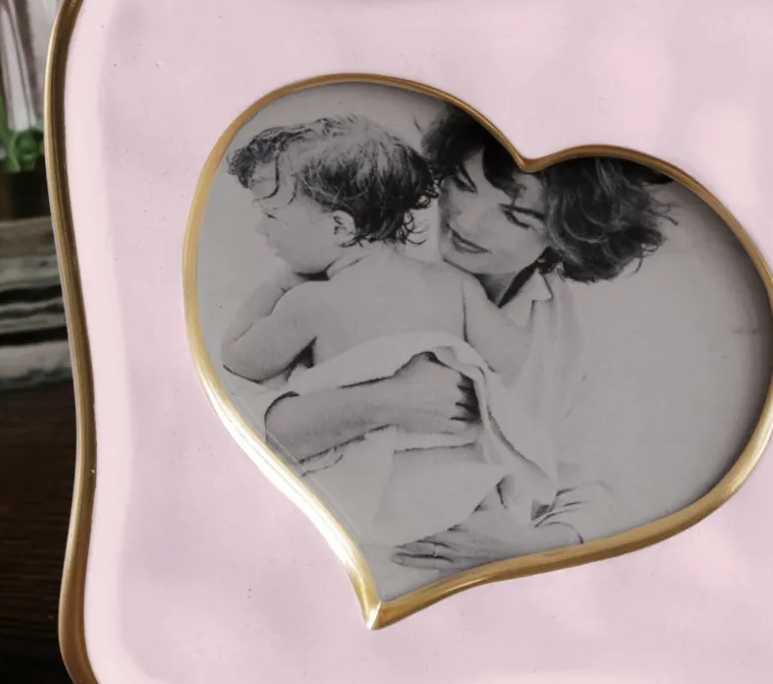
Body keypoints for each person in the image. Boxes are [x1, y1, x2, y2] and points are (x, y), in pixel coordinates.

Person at [262, 106, 671, 575]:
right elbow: (247, 425)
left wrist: (526, 549)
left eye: (515, 215)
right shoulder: (349, 256)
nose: (468, 222)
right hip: (329, 556)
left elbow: (597, 488)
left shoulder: (573, 328)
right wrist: (386, 401)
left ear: (566, 236)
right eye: (461, 183)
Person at [221, 115, 563, 558]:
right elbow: (511, 355)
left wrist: (277, 285)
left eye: (271, 216)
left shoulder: (312, 302)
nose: (261, 229)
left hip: (370, 484)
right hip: (458, 478)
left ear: (341, 228)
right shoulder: (454, 284)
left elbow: (239, 360)